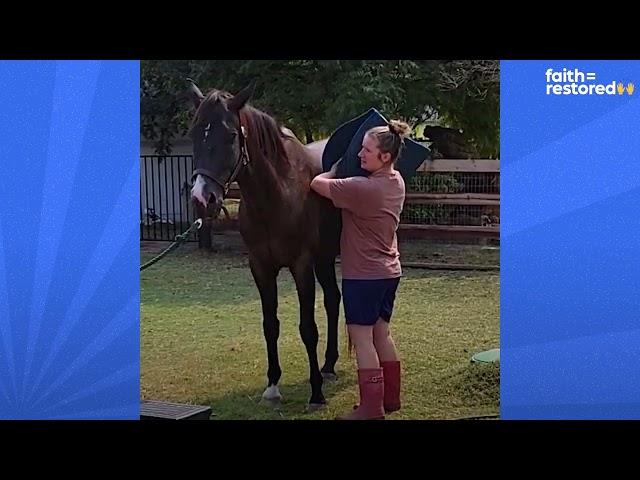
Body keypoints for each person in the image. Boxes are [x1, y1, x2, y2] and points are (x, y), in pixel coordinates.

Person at [310, 120, 409, 420]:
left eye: (367, 151)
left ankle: (370, 409)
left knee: (362, 338)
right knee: (381, 333)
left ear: (385, 157)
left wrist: (335, 170)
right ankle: (390, 399)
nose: (359, 155)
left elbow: (316, 184)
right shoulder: (396, 181)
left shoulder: (362, 189)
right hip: (390, 271)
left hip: (364, 275)